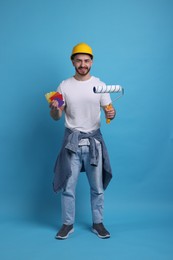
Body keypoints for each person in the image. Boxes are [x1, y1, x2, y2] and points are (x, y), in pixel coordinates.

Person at [50, 42, 116, 239]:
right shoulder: (63, 86)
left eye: (86, 60)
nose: (83, 64)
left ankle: (98, 223)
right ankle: (67, 224)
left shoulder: (100, 85)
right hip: (72, 142)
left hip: (94, 142)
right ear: (72, 62)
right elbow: (56, 116)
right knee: (68, 188)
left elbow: (110, 112)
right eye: (78, 60)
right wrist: (55, 107)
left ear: (92, 62)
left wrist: (112, 113)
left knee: (97, 187)